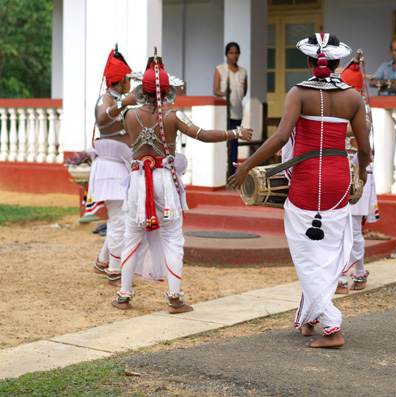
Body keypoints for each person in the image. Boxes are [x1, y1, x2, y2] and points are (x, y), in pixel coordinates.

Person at [228, 33, 370, 348]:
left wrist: (247, 166)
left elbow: (280, 138)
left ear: (309, 62)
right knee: (324, 252)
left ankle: (332, 326)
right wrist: (359, 176)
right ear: (336, 64)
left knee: (307, 254)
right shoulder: (354, 98)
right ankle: (309, 318)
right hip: (337, 183)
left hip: (306, 181)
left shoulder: (298, 92)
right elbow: (364, 149)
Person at [113, 56, 252, 313]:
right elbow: (205, 135)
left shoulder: (129, 115)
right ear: (168, 91)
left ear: (142, 90)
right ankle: (174, 298)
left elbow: (113, 114)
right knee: (172, 239)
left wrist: (131, 95)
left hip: (137, 181)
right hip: (163, 180)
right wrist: (235, 133)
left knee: (131, 236)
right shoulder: (174, 116)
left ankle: (124, 295)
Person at [87, 46, 137, 286]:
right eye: (126, 79)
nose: (129, 83)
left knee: (120, 216)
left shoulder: (117, 99)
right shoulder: (106, 100)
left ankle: (103, 261)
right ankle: (115, 271)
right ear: (121, 81)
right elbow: (102, 117)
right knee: (119, 219)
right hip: (111, 167)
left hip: (120, 166)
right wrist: (125, 102)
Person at [336, 51, 379, 294]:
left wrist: (330, 130)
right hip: (340, 168)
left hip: (358, 171)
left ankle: (355, 273)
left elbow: (360, 132)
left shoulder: (361, 106)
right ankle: (343, 275)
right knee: (338, 226)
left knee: (351, 227)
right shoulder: (343, 102)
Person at [213, 42, 247, 176]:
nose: (234, 56)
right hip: (223, 112)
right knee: (223, 142)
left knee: (234, 143)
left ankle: (232, 173)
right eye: (231, 53)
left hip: (237, 112)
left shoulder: (243, 72)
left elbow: (244, 92)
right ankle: (221, 172)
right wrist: (225, 94)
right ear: (227, 54)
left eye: (236, 53)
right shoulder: (220, 69)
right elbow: (215, 90)